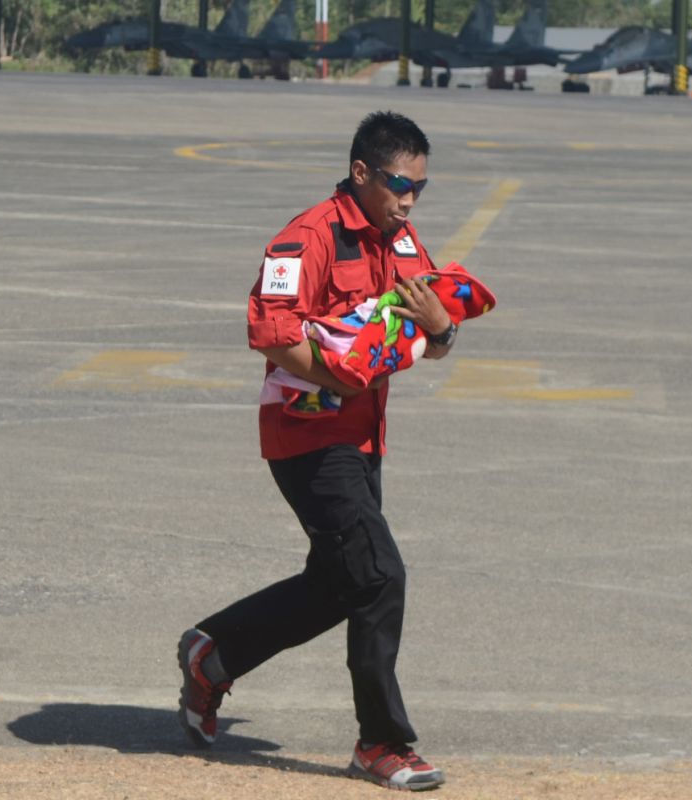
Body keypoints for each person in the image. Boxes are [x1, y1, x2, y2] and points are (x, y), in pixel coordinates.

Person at [177, 110, 457, 792]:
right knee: (379, 574)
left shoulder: (402, 239)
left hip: (362, 438)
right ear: (361, 173)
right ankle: (381, 743)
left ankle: (213, 657)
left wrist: (443, 329)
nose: (410, 198)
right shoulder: (306, 240)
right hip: (306, 434)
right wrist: (338, 376)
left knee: (342, 582)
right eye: (399, 182)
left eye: (420, 185)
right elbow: (272, 334)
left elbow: (431, 326)